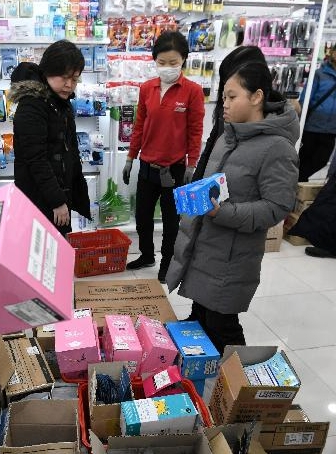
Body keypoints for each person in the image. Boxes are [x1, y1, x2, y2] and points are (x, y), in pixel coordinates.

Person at [166, 61, 299, 354]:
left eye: (231, 96)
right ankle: (201, 383)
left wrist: (221, 213)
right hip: (206, 250)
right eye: (223, 96)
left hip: (231, 259)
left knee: (222, 327)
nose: (223, 104)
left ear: (256, 97)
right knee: (199, 321)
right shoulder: (229, 136)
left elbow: (277, 208)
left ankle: (246, 391)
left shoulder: (277, 148)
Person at [123, 31, 205, 283]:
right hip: (148, 165)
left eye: (173, 62)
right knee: (142, 217)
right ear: (154, 60)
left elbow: (195, 130)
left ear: (183, 60)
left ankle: (167, 262)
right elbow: (139, 126)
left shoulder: (192, 91)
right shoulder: (147, 88)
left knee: (171, 223)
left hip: (175, 169)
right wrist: (130, 158)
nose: (167, 67)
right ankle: (147, 254)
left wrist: (192, 163)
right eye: (162, 62)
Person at [7, 40, 91, 235]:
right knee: (44, 252)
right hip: (41, 200)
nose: (69, 85)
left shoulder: (59, 102)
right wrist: (58, 201)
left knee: (57, 250)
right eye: (64, 77)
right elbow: (36, 160)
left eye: (75, 79)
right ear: (47, 71)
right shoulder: (32, 106)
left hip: (59, 193)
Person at [193, 46, 266, 182]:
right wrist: (197, 182)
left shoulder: (272, 137)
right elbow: (210, 147)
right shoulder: (226, 111)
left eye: (232, 96)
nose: (226, 103)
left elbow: (275, 200)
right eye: (226, 96)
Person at [294, 47, 336, 183]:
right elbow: (305, 99)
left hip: (331, 129)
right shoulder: (319, 74)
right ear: (333, 53)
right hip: (312, 126)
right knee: (303, 158)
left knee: (322, 160)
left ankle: (298, 180)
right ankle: (297, 183)